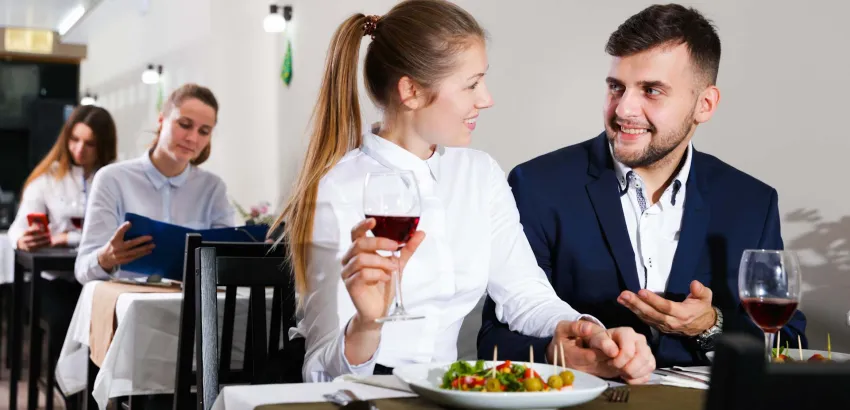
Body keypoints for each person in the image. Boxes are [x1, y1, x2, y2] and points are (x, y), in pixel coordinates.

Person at [272, 0, 655, 384]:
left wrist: (590, 331)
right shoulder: (337, 188)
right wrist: (368, 324)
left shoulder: (479, 173)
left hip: (450, 388)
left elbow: (525, 293)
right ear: (411, 92)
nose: (486, 99)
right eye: (471, 84)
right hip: (366, 392)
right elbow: (319, 372)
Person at [477, 4, 807, 368]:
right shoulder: (538, 185)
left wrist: (710, 326)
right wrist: (564, 356)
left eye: (651, 90)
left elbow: (789, 340)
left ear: (705, 104)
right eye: (616, 88)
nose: (623, 109)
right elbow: (494, 338)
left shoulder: (751, 203)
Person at [7, 104, 118, 407]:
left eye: (90, 143)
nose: (79, 149)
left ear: (104, 145)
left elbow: (116, 234)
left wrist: (65, 237)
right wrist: (24, 239)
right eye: (74, 140)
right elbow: (17, 229)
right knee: (64, 319)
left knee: (111, 319)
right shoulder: (46, 180)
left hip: (97, 282)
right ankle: (70, 396)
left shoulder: (113, 180)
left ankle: (99, 394)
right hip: (52, 281)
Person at [75, 83, 235, 284]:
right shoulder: (112, 179)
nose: (192, 138)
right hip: (125, 307)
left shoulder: (213, 189)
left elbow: (226, 262)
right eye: (184, 124)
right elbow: (82, 270)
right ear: (161, 121)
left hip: (191, 309)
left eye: (204, 131)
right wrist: (106, 258)